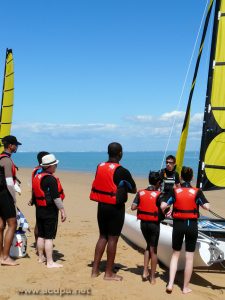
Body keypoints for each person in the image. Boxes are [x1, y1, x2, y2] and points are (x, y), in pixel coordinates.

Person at [90, 142, 136, 281]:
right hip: (115, 208)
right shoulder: (122, 171)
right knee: (113, 238)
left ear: (108, 152)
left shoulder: (100, 166)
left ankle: (95, 270)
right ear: (120, 153)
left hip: (101, 205)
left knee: (102, 236)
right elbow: (133, 189)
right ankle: (108, 273)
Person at [160, 166, 210, 294]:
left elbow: (163, 205)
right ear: (192, 177)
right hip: (191, 225)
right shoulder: (197, 191)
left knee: (175, 254)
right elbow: (206, 207)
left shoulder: (175, 191)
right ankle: (185, 288)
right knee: (189, 257)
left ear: (181, 177)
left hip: (178, 225)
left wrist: (168, 207)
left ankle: (170, 284)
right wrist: (202, 203)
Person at [32, 153, 66, 268]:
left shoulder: (37, 176)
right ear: (50, 166)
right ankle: (50, 262)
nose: (56, 167)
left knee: (41, 235)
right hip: (49, 211)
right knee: (49, 237)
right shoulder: (51, 179)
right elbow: (56, 198)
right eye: (55, 165)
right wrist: (62, 210)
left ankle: (41, 257)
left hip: (39, 210)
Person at [131, 171, 164, 284]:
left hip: (143, 224)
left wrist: (144, 204)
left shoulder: (140, 193)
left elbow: (133, 207)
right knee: (153, 250)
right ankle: (152, 277)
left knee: (148, 246)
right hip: (154, 225)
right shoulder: (159, 194)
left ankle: (145, 271)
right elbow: (164, 207)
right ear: (158, 183)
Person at [0, 135, 22, 266]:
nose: (17, 147)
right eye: (16, 145)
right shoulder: (7, 161)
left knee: (0, 226)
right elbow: (9, 182)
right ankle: (6, 257)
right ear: (10, 146)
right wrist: (13, 198)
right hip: (4, 195)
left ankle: (1, 256)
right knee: (12, 224)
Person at [28, 151, 49, 247]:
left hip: (36, 198)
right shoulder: (41, 171)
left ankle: (38, 243)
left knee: (39, 220)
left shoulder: (36, 169)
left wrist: (32, 198)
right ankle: (39, 244)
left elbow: (33, 186)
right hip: (42, 199)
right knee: (41, 222)